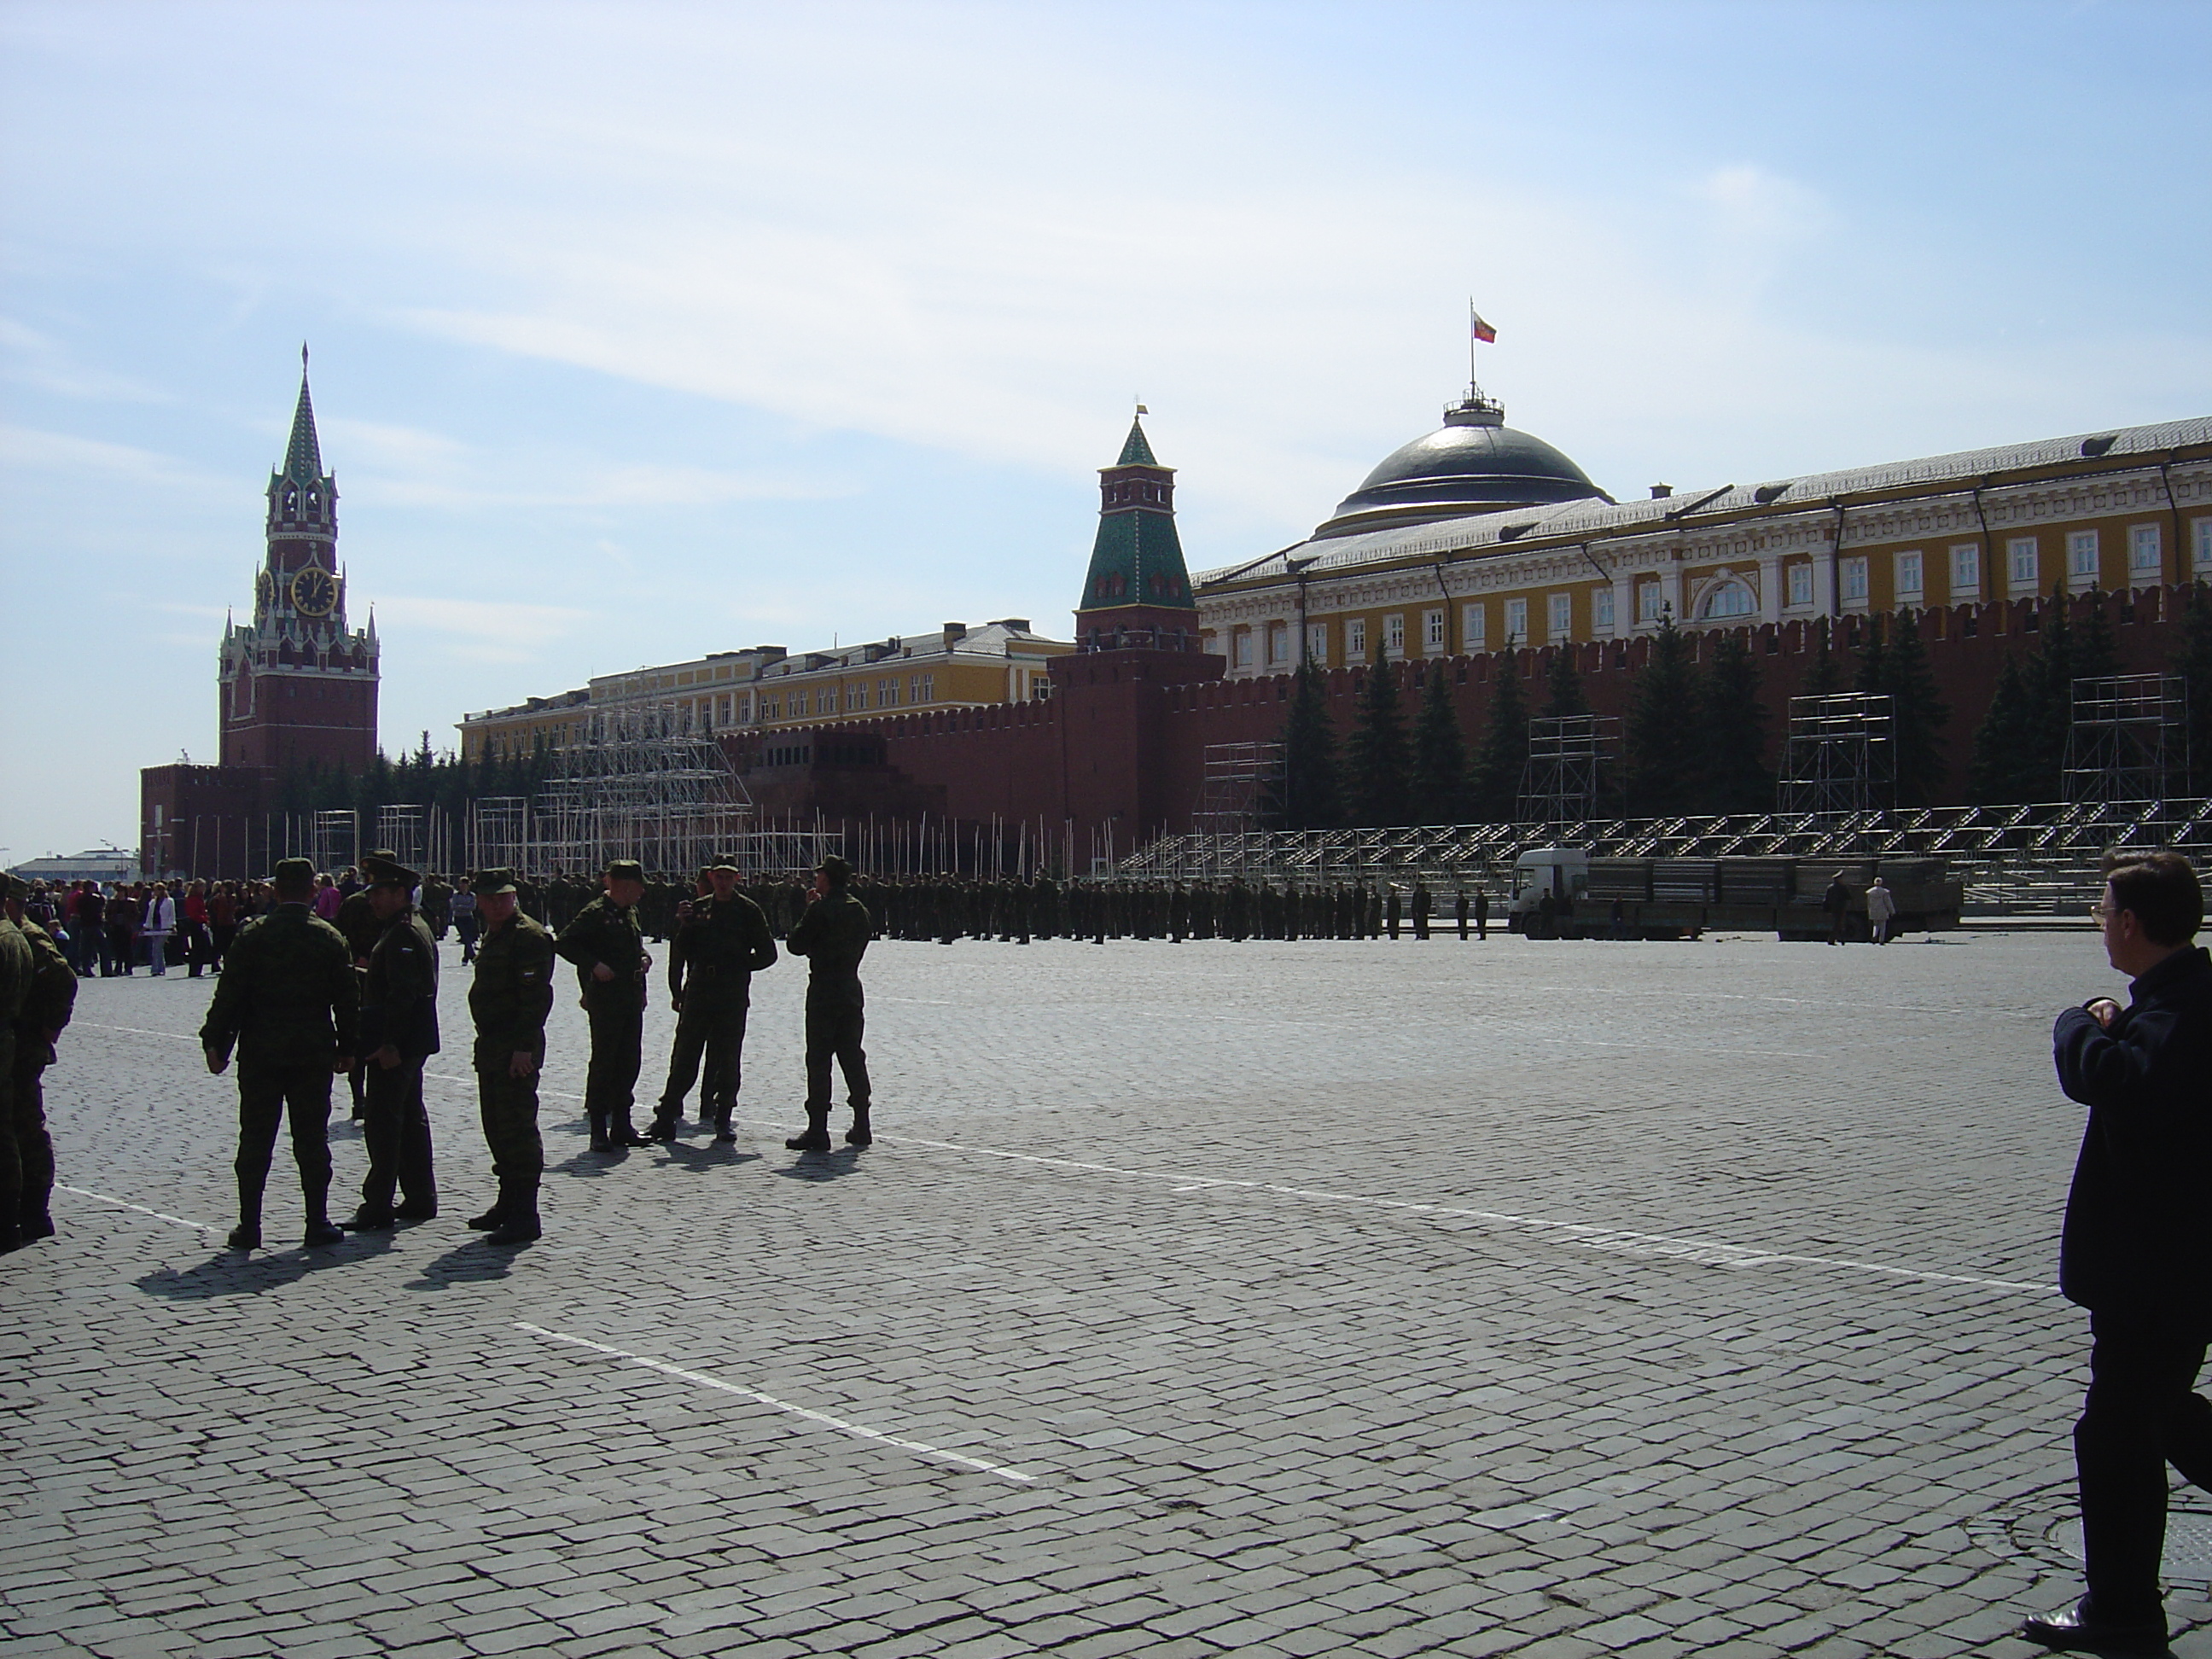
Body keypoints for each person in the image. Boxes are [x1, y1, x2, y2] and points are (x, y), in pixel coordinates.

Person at [2020, 850, 2212, 1653]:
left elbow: (2119, 1081)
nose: (2100, 921)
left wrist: (2074, 1023)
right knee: (2159, 1413)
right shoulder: (2182, 1000)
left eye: (2103, 910)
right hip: (2175, 1265)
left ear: (2130, 923)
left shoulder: (2178, 1013)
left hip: (2157, 1270)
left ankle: (2123, 1608)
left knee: (2117, 1436)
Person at [198, 858, 358, 1250]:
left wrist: (215, 1042)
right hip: (311, 1052)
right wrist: (349, 1048)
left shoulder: (252, 936)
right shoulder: (328, 937)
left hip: (261, 1053)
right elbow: (347, 999)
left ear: (275, 891)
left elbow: (229, 995)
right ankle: (317, 1221)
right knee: (311, 1139)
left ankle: (249, 1225)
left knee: (254, 1139)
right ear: (312, 891)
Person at [341, 854, 440, 1229]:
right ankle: (419, 1196)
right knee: (411, 1118)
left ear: (399, 893)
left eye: (379, 892)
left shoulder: (402, 932)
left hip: (397, 1045)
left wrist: (390, 1044)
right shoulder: (408, 924)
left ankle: (377, 1204)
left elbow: (404, 994)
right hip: (411, 1043)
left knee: (384, 1122)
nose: (372, 900)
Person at [648, 857, 777, 1144]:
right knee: (685, 1055)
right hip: (700, 988)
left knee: (728, 1056)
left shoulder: (748, 910)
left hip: (731, 993)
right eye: (718, 876)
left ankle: (723, 1118)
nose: (723, 881)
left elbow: (768, 954)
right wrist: (684, 924)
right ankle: (666, 1116)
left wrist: (741, 965)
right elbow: (683, 948)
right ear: (711, 877)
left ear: (737, 878)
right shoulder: (700, 908)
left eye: (728, 876)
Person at [464, 869, 552, 1245]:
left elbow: (535, 1000)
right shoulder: (495, 933)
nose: (499, 903)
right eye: (491, 898)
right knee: (496, 1127)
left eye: (505, 897)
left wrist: (523, 1049)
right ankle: (507, 1201)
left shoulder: (527, 936)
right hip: (492, 1045)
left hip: (516, 1047)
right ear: (480, 901)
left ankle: (525, 1213)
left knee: (517, 1128)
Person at [556, 859, 654, 1154]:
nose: (642, 893)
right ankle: (599, 1129)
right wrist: (594, 965)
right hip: (606, 997)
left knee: (629, 1061)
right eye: (638, 887)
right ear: (625, 886)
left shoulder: (630, 911)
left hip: (630, 995)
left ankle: (623, 1125)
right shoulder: (596, 912)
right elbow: (565, 943)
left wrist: (645, 957)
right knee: (605, 1062)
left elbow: (632, 944)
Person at [1, 876, 76, 1249]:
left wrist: (50, 1029)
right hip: (18, 1041)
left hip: (24, 1042)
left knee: (26, 1127)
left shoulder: (27, 936)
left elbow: (64, 981)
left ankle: (33, 1210)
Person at [783, 853, 873, 1152]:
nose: (816, 879)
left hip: (824, 989)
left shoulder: (820, 909)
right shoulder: (858, 910)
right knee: (851, 1055)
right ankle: (862, 1122)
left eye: (819, 875)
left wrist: (809, 910)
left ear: (827, 879)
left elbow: (796, 944)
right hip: (850, 986)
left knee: (819, 1058)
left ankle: (818, 1129)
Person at [451, 875, 480, 963]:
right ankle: (473, 956)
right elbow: (453, 906)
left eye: (465, 884)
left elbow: (473, 907)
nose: (463, 886)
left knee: (469, 938)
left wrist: (461, 906)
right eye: (462, 884)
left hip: (468, 918)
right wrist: (464, 907)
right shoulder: (456, 895)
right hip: (459, 918)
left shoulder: (472, 895)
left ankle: (466, 957)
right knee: (465, 937)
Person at [1866, 874, 1897, 946]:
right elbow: (1888, 902)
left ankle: (1874, 936)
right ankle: (1881, 940)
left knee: (1875, 925)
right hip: (1883, 910)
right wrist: (1892, 911)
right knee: (1883, 926)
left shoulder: (1870, 892)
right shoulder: (1884, 892)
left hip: (1874, 910)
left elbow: (1869, 903)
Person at [1822, 870, 1852, 946]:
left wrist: (1826, 909)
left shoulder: (1830, 888)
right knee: (1839, 924)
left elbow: (1826, 899)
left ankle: (1841, 939)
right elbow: (1848, 897)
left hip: (1833, 909)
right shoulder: (1842, 887)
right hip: (1841, 908)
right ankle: (1832, 939)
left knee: (1837, 923)